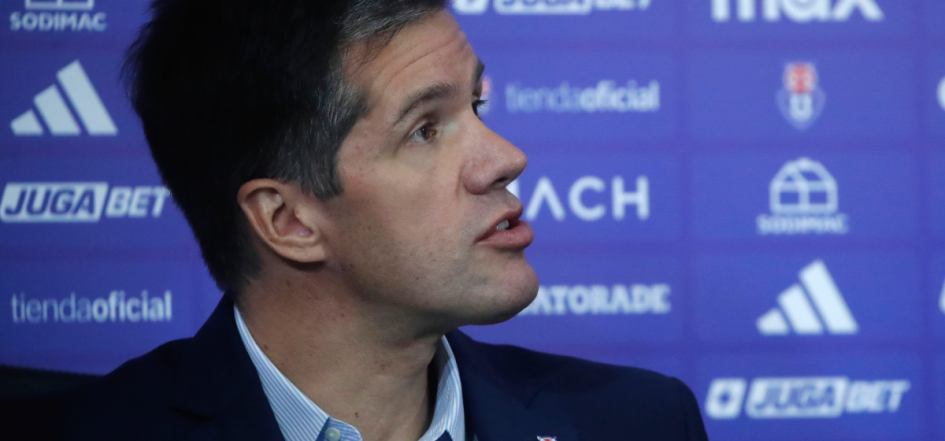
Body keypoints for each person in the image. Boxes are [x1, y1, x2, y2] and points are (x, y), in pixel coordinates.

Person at [2, 1, 708, 440]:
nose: (506, 158)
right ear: (288, 220)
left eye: (476, 106)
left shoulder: (639, 423)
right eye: (425, 129)